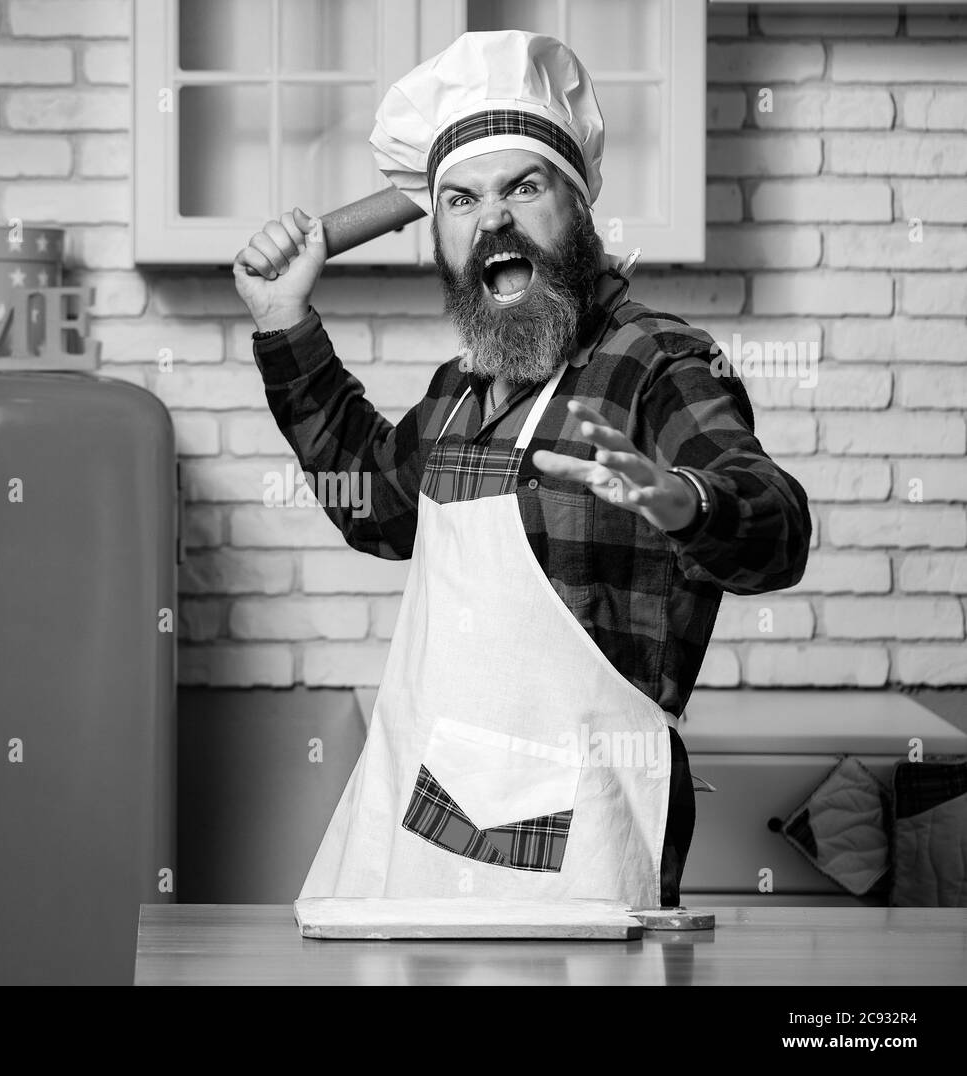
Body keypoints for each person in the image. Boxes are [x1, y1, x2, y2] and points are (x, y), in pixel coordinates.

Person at [233, 31, 811, 908]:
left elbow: (774, 526)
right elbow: (377, 511)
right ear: (441, 237)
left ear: (577, 210)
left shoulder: (654, 363)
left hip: (583, 853)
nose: (492, 219)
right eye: (460, 200)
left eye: (523, 187)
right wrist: (285, 324)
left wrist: (685, 503)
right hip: (426, 830)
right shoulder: (461, 392)